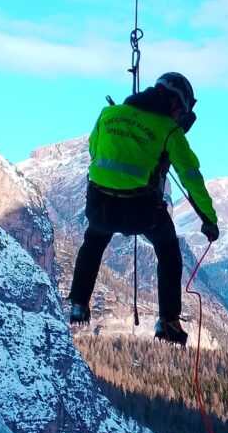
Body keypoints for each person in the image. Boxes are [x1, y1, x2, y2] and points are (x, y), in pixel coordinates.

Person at [68, 72, 219, 346]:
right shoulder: (169, 131)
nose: (179, 118)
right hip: (141, 211)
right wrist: (209, 219)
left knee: (93, 242)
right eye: (181, 111)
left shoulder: (108, 114)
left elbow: (93, 150)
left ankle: (79, 303)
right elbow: (191, 178)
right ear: (175, 103)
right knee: (169, 253)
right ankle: (168, 320)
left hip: (100, 205)